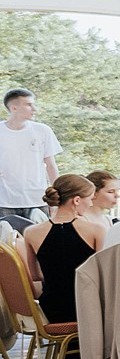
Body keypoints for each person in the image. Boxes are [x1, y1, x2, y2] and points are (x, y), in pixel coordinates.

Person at [22, 174, 103, 323]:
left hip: (51, 311)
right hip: (87, 310)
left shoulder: (31, 232)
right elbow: (103, 276)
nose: (91, 204)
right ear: (77, 200)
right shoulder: (96, 230)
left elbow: (35, 275)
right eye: (90, 199)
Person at [0, 88, 62, 232]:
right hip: (4, 201)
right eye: (28, 105)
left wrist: (57, 198)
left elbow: (51, 165)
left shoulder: (43, 131)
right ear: (14, 108)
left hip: (37, 199)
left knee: (42, 240)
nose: (34, 109)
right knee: (6, 244)